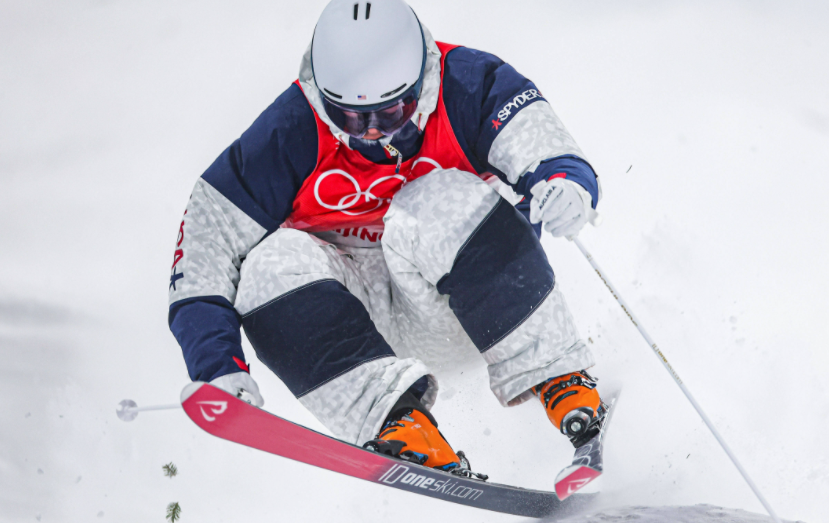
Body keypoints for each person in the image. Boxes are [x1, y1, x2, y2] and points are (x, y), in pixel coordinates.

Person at [168, 0, 605, 474]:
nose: (374, 132)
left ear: (422, 80)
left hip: (465, 305)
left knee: (438, 197)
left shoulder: (469, 84)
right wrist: (217, 365)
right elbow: (203, 253)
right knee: (265, 265)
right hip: (354, 324)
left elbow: (543, 144)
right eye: (353, 118)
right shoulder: (288, 131)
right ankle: (398, 422)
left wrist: (566, 185)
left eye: (392, 111)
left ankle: (563, 381)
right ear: (321, 94)